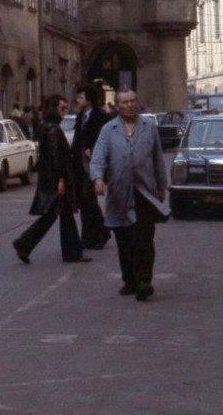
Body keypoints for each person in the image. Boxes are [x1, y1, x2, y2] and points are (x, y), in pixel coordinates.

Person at [90, 89, 168, 301]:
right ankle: (130, 280)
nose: (129, 105)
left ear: (137, 103)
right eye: (124, 102)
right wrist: (97, 179)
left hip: (145, 191)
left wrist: (162, 185)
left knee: (144, 237)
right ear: (117, 106)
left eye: (133, 101)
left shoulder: (149, 127)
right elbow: (98, 157)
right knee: (124, 239)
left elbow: (157, 159)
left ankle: (144, 281)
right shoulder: (108, 130)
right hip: (119, 193)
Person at [12, 94, 91, 266]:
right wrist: (61, 179)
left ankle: (27, 243)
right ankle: (27, 243)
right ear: (54, 108)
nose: (65, 111)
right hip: (57, 179)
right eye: (62, 108)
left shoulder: (48, 127)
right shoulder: (53, 129)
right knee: (59, 215)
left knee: (59, 215)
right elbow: (56, 157)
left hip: (52, 178)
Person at [71, 84, 111, 249]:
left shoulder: (100, 116)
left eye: (80, 97)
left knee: (88, 199)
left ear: (88, 99)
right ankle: (95, 235)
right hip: (80, 164)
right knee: (85, 201)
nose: (77, 100)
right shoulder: (80, 116)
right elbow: (77, 140)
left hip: (94, 164)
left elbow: (105, 138)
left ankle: (96, 234)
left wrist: (93, 150)